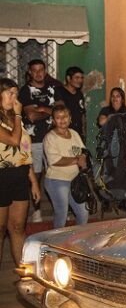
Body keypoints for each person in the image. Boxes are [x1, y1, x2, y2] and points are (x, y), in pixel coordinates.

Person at [0, 78, 41, 266]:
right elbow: (14, 140)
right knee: (0, 229)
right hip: (2, 176)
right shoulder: (16, 118)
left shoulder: (18, 120)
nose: (14, 97)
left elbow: (24, 151)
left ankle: (23, 273)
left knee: (17, 227)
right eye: (9, 93)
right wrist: (17, 115)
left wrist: (33, 181)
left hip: (19, 176)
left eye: (16, 93)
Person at [19, 59, 56, 223]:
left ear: (45, 71)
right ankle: (37, 210)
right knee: (37, 175)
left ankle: (58, 207)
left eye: (41, 70)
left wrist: (41, 109)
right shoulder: (25, 91)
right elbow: (31, 116)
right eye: (35, 70)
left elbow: (62, 110)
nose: (38, 73)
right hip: (33, 140)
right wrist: (51, 111)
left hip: (53, 139)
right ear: (30, 72)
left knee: (55, 174)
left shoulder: (53, 89)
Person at [42, 105, 89, 228]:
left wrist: (83, 157)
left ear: (70, 118)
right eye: (58, 117)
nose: (62, 120)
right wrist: (76, 160)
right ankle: (56, 243)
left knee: (83, 212)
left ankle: (77, 239)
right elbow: (54, 160)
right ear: (53, 121)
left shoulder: (74, 133)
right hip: (57, 180)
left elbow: (83, 149)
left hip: (74, 179)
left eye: (65, 117)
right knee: (61, 214)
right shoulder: (50, 137)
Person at [54, 66, 86, 140]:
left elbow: (82, 115)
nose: (80, 80)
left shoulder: (79, 94)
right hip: (64, 133)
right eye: (77, 78)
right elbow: (60, 113)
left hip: (77, 134)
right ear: (68, 78)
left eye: (81, 78)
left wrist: (83, 134)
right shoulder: (60, 91)